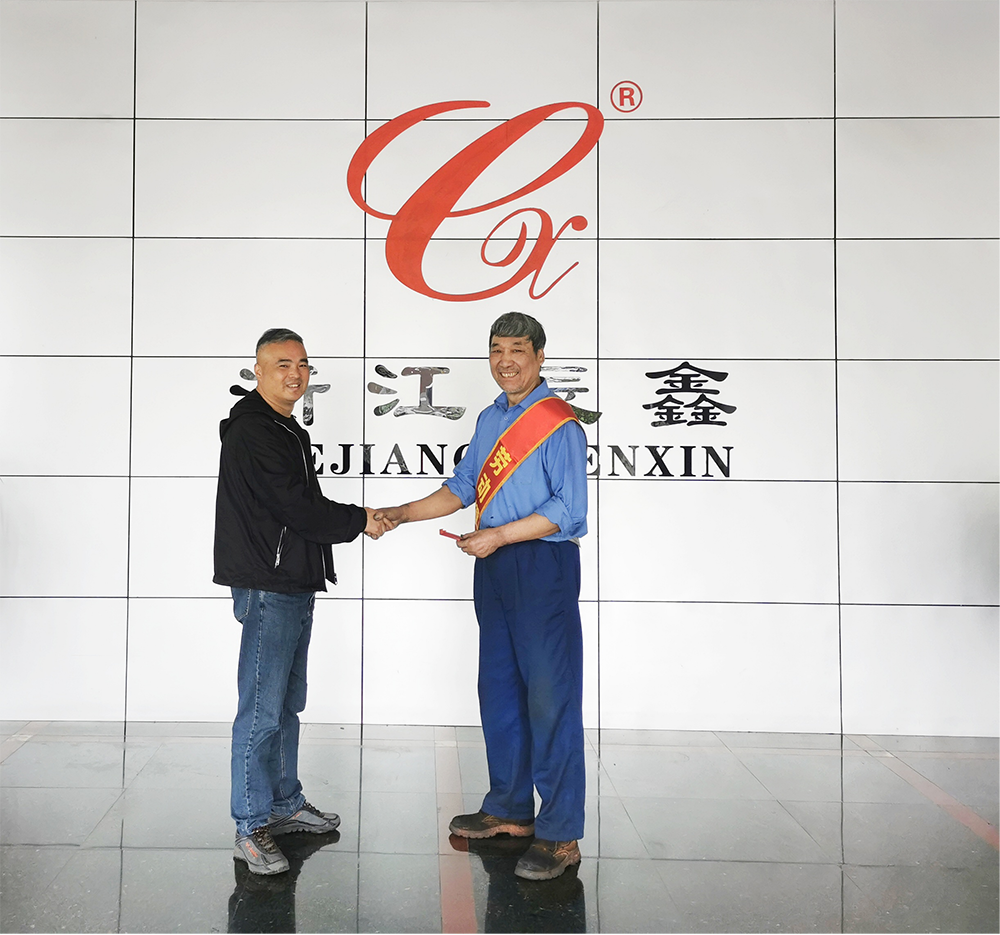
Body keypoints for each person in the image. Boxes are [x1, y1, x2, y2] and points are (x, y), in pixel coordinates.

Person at [376, 311, 588, 880]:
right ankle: (511, 809)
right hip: (493, 568)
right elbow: (463, 486)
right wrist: (401, 513)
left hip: (542, 565)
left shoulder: (559, 423)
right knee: (499, 690)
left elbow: (569, 511)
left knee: (551, 698)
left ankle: (561, 833)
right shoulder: (490, 418)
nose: (506, 361)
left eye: (518, 350)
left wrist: (499, 535)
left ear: (539, 356)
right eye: (497, 349)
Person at [214, 327, 386, 875]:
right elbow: (298, 508)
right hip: (269, 584)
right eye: (283, 364)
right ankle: (250, 825)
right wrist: (361, 519)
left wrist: (350, 523)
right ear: (258, 371)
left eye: (303, 364)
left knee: (288, 702)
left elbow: (300, 506)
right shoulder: (255, 431)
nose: (296, 374)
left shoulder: (284, 428)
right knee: (261, 711)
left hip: (291, 581)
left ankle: (284, 803)